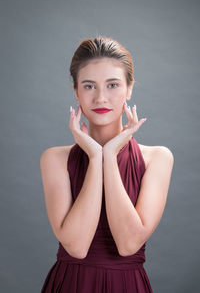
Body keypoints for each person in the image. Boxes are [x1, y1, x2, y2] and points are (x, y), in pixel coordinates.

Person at [40, 36, 174, 293]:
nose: (101, 97)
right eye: (89, 86)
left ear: (130, 88)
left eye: (113, 85)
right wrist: (94, 156)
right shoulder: (54, 159)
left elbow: (128, 244)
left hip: (127, 285)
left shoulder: (158, 158)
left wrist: (109, 155)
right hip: (70, 284)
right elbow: (77, 247)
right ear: (75, 91)